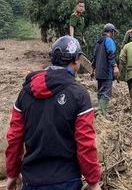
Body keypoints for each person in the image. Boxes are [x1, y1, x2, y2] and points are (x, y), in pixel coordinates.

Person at [5, 36, 101, 190]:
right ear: (76, 60)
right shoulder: (79, 95)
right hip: (67, 181)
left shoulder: (25, 92)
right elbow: (85, 143)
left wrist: (12, 172)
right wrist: (93, 181)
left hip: (31, 181)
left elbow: (15, 138)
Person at [92, 23, 120, 115]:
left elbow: (94, 57)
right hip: (107, 72)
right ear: (111, 32)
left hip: (99, 72)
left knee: (100, 91)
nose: (113, 34)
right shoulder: (109, 40)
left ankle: (100, 111)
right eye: (113, 32)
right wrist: (115, 66)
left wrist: (93, 70)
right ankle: (101, 112)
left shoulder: (99, 42)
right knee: (106, 92)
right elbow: (111, 54)